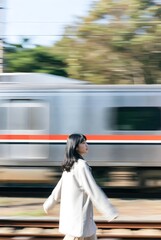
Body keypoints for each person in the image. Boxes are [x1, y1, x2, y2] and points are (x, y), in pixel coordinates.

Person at [43, 133, 118, 240]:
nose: (86, 145)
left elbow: (58, 189)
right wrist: (109, 211)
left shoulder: (70, 165)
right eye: (83, 143)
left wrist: (48, 205)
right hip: (79, 221)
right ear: (76, 146)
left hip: (81, 220)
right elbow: (93, 190)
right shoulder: (81, 166)